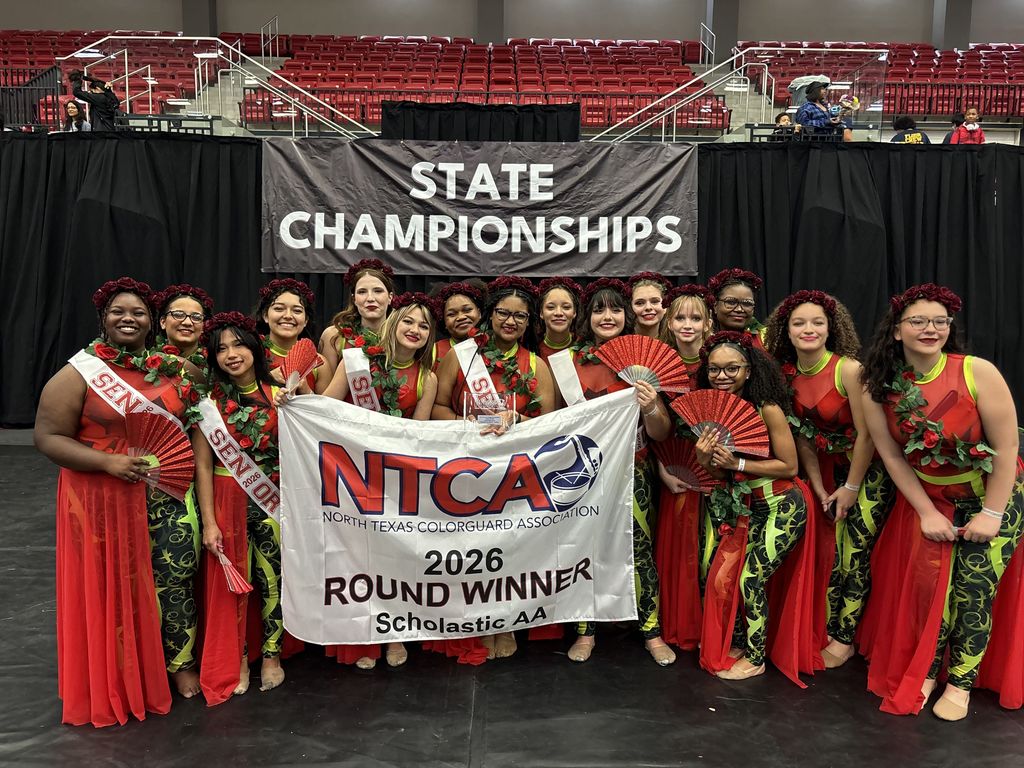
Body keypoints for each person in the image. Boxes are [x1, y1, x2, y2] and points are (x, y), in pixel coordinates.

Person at [34, 277, 203, 726]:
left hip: (165, 495)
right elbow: (48, 437)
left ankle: (173, 665)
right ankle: (120, 677)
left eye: (138, 313)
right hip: (100, 497)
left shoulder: (172, 369)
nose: (128, 318)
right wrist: (106, 464)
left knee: (171, 579)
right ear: (103, 319)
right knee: (115, 588)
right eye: (118, 312)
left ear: (154, 322)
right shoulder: (80, 372)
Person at [859, 283, 1023, 720]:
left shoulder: (977, 371)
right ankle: (927, 669)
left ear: (949, 328)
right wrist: (926, 511)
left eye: (939, 321)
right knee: (928, 590)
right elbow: (892, 455)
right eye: (917, 321)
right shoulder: (877, 386)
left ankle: (961, 683)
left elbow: (1007, 450)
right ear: (896, 330)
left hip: (992, 495)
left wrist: (991, 513)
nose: (929, 329)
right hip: (932, 499)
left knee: (973, 590)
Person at [763, 290, 894, 670]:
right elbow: (801, 436)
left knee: (853, 554)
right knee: (827, 554)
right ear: (785, 331)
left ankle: (844, 636)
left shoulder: (848, 370)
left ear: (831, 328)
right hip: (820, 470)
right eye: (799, 323)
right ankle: (823, 626)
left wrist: (850, 488)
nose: (809, 329)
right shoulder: (784, 375)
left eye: (817, 322)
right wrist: (819, 488)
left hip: (865, 472)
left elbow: (869, 435)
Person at [548, 278, 675, 666]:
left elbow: (661, 432)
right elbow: (554, 426)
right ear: (588, 317)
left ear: (627, 315)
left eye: (616, 309)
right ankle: (585, 632)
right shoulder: (569, 363)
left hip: (633, 473)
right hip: (583, 476)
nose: (608, 316)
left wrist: (652, 406)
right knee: (583, 549)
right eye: (600, 309)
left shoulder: (646, 361)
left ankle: (651, 631)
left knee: (639, 552)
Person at [429, 275, 556, 662]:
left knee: (507, 552)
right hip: (463, 469)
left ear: (529, 322)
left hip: (513, 474)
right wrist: (468, 426)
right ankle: (474, 622)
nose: (510, 322)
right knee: (470, 552)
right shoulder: (462, 354)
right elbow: (436, 407)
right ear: (490, 314)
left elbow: (548, 420)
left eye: (520, 316)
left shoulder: (535, 363)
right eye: (503, 313)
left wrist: (518, 421)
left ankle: (505, 623)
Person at [320, 292, 439, 669]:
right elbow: (325, 410)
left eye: (423, 325)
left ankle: (396, 634)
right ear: (393, 322)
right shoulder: (355, 362)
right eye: (408, 321)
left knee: (396, 560)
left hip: (397, 479)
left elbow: (418, 436)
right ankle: (362, 639)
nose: (415, 329)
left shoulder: (428, 378)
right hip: (353, 478)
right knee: (357, 562)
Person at [694, 331, 818, 684]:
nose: (722, 377)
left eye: (732, 368)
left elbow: (789, 467)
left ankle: (756, 656)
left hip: (783, 506)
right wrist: (707, 459)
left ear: (749, 370)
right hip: (748, 507)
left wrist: (738, 465)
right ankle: (742, 641)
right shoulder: (714, 411)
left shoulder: (768, 409)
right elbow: (720, 471)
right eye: (714, 370)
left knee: (751, 579)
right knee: (722, 576)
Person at [194, 312, 289, 703]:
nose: (231, 355)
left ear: (255, 347)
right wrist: (209, 522)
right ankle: (239, 657)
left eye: (238, 345)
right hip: (226, 496)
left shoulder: (281, 393)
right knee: (234, 586)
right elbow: (202, 464)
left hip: (275, 499)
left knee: (274, 580)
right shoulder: (207, 404)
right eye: (221, 349)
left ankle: (272, 654)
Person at [654, 284, 713, 651]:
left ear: (708, 324)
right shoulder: (661, 366)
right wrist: (661, 468)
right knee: (677, 548)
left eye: (696, 317)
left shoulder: (720, 364)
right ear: (669, 323)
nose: (687, 324)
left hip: (716, 470)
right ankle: (676, 623)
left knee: (710, 550)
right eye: (680, 317)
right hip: (673, 466)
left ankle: (713, 627)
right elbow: (653, 430)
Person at [256, 278, 326, 393]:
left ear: (306, 320)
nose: (288, 316)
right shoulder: (251, 354)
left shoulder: (319, 364)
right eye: (279, 309)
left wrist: (306, 391)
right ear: (265, 316)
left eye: (297, 311)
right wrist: (268, 378)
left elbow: (329, 409)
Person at [155, 283, 214, 371]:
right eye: (178, 314)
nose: (187, 322)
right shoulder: (146, 363)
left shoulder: (216, 366)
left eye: (196, 317)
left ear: (204, 326)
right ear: (163, 322)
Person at [707, 267, 767, 349]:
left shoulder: (767, 339)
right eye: (731, 302)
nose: (739, 309)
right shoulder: (702, 340)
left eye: (747, 303)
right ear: (715, 306)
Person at [432, 279, 486, 365]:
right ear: (444, 321)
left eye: (467, 310)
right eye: (452, 314)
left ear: (479, 313)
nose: (461, 317)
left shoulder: (495, 347)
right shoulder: (434, 351)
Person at [536, 276, 581, 361]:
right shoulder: (531, 349)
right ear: (541, 313)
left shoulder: (586, 349)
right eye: (551, 307)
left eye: (566, 307)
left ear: (574, 312)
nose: (558, 313)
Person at [628, 271, 672, 340]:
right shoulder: (618, 344)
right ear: (630, 307)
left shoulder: (677, 344)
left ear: (665, 306)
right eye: (639, 303)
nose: (648, 307)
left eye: (655, 301)